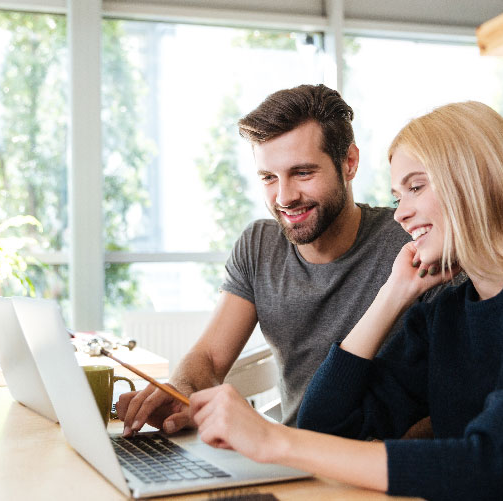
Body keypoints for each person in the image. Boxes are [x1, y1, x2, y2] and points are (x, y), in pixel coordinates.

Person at [188, 101, 503, 500]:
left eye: (416, 188)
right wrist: (391, 295)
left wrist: (274, 440)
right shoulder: (445, 313)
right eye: (398, 196)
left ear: (477, 181)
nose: (400, 213)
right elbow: (326, 425)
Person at [117, 84, 425, 435]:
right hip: (287, 457)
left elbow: (448, 407)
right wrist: (181, 388)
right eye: (268, 178)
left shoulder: (412, 242)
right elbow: (210, 358)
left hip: (379, 468)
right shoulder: (259, 245)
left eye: (303, 173)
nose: (285, 197)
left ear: (349, 163)